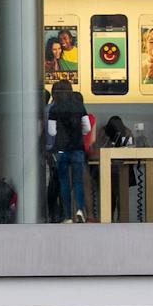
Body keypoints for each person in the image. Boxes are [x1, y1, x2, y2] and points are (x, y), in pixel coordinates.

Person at [47, 81, 88, 222]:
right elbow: (87, 128)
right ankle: (80, 210)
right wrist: (78, 134)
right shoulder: (79, 106)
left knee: (64, 182)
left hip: (62, 150)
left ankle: (67, 215)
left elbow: (51, 132)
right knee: (78, 181)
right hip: (78, 148)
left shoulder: (54, 109)